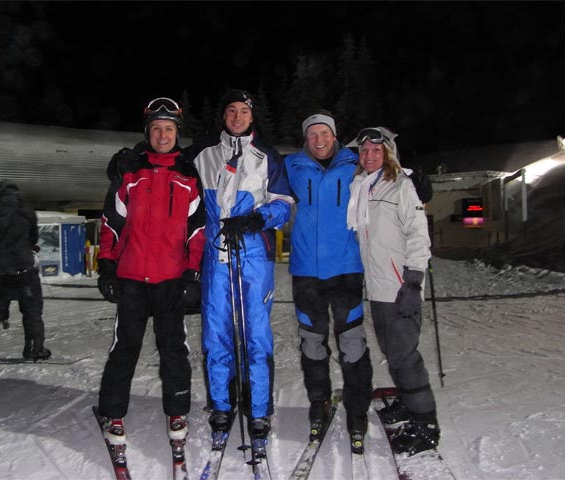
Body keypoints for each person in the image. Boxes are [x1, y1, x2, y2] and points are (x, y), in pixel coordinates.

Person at [95, 97, 206, 448]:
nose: (162, 134)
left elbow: (196, 232)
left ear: (177, 133)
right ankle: (113, 413)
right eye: (156, 128)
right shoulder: (129, 170)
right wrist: (107, 265)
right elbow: (112, 222)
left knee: (174, 349)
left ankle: (177, 412)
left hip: (171, 280)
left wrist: (192, 276)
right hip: (131, 278)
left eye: (169, 129)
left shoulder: (188, 175)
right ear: (147, 132)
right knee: (124, 348)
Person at [188, 89, 293, 443]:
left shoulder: (267, 157)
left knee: (255, 334)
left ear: (252, 116)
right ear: (223, 116)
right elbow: (166, 163)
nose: (237, 116)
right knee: (216, 333)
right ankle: (221, 403)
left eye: (243, 111)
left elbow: (283, 204)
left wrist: (255, 220)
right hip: (216, 258)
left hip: (252, 258)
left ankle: (258, 409)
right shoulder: (203, 155)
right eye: (231, 110)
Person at [346, 126, 439, 456]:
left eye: (376, 150)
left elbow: (417, 234)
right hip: (377, 287)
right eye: (364, 151)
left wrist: (414, 281)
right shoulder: (362, 187)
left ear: (388, 153)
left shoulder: (401, 186)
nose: (369, 155)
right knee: (394, 354)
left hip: (400, 286)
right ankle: (406, 401)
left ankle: (426, 423)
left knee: (405, 357)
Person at [284, 111, 373, 454]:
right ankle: (318, 402)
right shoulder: (291, 166)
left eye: (324, 134)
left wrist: (417, 179)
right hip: (306, 272)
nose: (318, 140)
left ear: (335, 136)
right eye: (312, 135)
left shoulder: (356, 163)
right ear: (305, 139)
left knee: (352, 344)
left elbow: (390, 172)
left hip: (347, 270)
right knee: (312, 344)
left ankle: (357, 409)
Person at [0, 180, 51, 362]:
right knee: (32, 311)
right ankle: (34, 348)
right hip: (24, 270)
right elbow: (33, 239)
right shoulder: (27, 212)